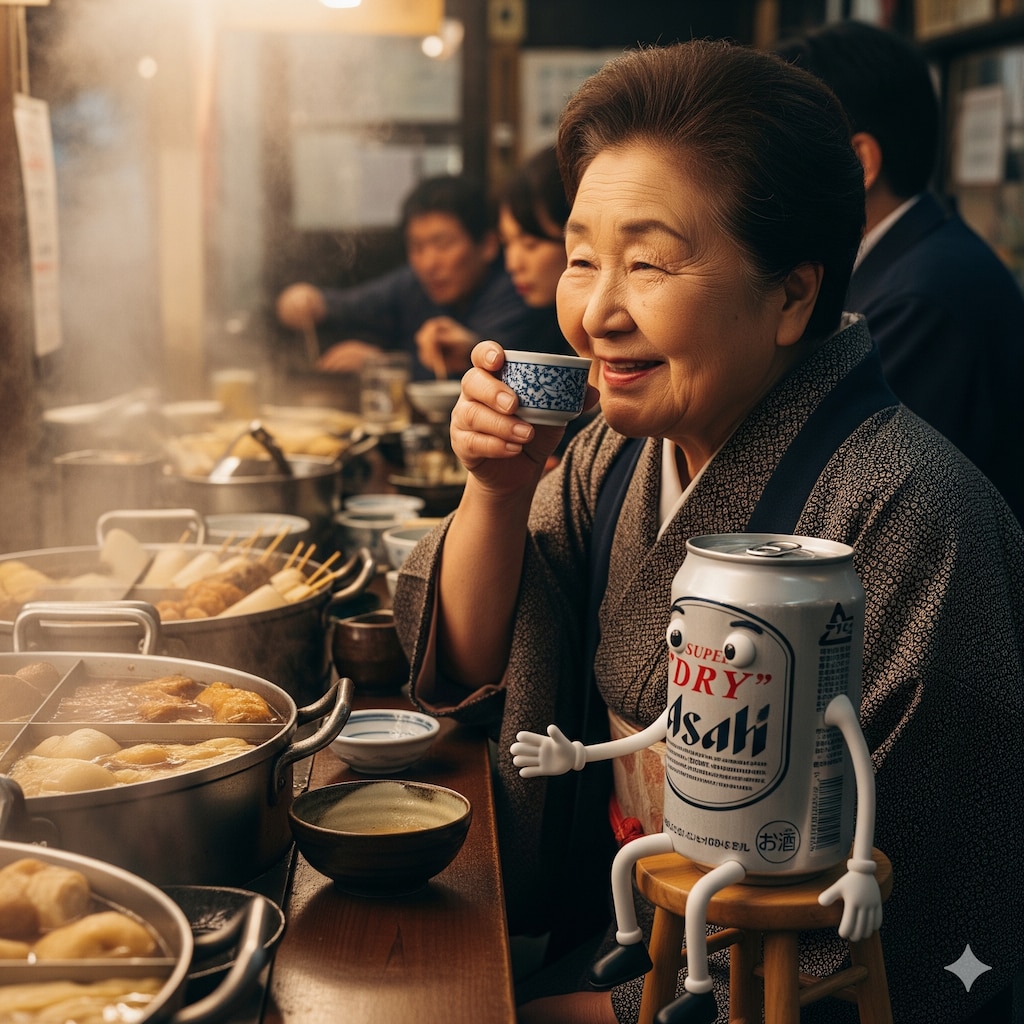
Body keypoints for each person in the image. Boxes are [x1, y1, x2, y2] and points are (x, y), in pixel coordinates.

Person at [391, 39, 1024, 1024]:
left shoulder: (910, 514)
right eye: (581, 258)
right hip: (623, 941)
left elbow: (910, 916)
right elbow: (474, 662)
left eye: (646, 263)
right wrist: (495, 494)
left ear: (792, 293)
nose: (596, 310)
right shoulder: (608, 452)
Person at [775, 20, 1024, 525]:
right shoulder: (916, 263)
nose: (758, 177)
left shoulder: (923, 298)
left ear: (859, 161)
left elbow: (831, 477)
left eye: (775, 152)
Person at [276, 174, 566, 380]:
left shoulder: (521, 288)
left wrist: (381, 365)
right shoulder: (413, 282)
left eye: (443, 244)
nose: (428, 262)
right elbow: (348, 305)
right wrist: (309, 302)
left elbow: (498, 375)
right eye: (416, 247)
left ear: (488, 245)